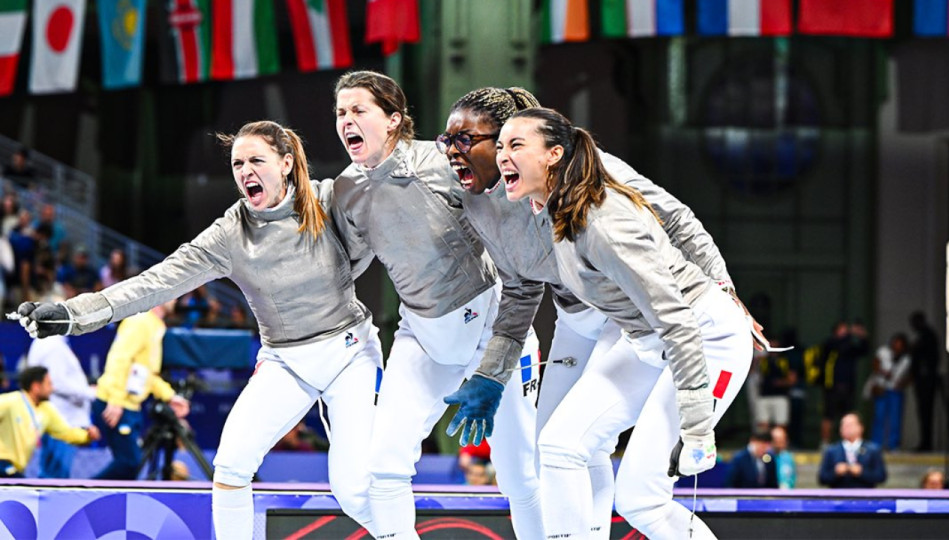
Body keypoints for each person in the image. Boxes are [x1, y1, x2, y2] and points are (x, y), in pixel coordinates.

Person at [14, 121, 383, 539]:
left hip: (350, 353)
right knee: (229, 466)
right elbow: (156, 282)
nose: (245, 171)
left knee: (353, 490)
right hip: (286, 359)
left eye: (256, 160)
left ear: (285, 163)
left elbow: (386, 224)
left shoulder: (329, 198)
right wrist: (72, 313)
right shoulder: (231, 234)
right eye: (237, 163)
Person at [441, 86, 749, 538]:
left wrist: (698, 427)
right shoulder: (537, 204)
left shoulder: (601, 221)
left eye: (515, 146)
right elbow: (523, 285)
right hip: (641, 339)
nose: (504, 156)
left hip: (704, 340)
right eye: (501, 146)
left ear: (553, 156)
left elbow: (677, 318)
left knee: (642, 499)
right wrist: (493, 371)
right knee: (559, 446)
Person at [331, 71, 541, 540]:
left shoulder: (443, 161)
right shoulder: (345, 190)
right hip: (423, 337)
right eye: (341, 112)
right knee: (383, 467)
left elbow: (512, 224)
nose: (347, 120)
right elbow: (345, 266)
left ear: (392, 120)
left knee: (519, 475)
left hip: (492, 327)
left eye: (359, 110)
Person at [86, 300, 188, 480]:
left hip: (131, 406)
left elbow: (149, 374)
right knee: (128, 463)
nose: (177, 298)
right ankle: (82, 495)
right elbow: (120, 359)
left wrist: (170, 396)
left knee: (131, 466)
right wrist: (116, 400)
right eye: (174, 293)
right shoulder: (139, 322)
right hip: (116, 403)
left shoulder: (155, 325)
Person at [0, 366, 99, 477]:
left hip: (16, 469)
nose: (52, 389)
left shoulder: (46, 410)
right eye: (49, 384)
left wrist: (87, 436)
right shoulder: (12, 401)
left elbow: (67, 433)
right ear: (36, 386)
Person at [25, 327, 97, 478]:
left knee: (50, 474)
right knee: (56, 478)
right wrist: (89, 392)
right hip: (63, 417)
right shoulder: (53, 346)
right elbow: (56, 383)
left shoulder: (46, 342)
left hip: (58, 416)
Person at [867, 333, 911, 450]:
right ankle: (875, 445)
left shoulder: (906, 358)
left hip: (895, 391)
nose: (897, 346)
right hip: (881, 388)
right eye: (895, 343)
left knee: (895, 419)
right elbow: (875, 364)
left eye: (900, 344)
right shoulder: (883, 351)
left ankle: (894, 445)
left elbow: (910, 375)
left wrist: (902, 384)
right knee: (879, 417)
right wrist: (883, 373)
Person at [818, 412, 886, 488]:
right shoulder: (832, 450)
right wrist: (835, 472)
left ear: (861, 427)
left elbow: (881, 476)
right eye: (844, 425)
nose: (846, 428)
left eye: (850, 425)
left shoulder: (872, 450)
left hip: (864, 496)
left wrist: (862, 472)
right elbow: (822, 478)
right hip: (838, 496)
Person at [909, 311, 940, 451]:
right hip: (921, 379)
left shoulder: (927, 336)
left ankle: (927, 443)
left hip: (926, 379)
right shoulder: (922, 335)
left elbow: (929, 358)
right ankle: (925, 441)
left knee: (926, 412)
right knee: (923, 412)